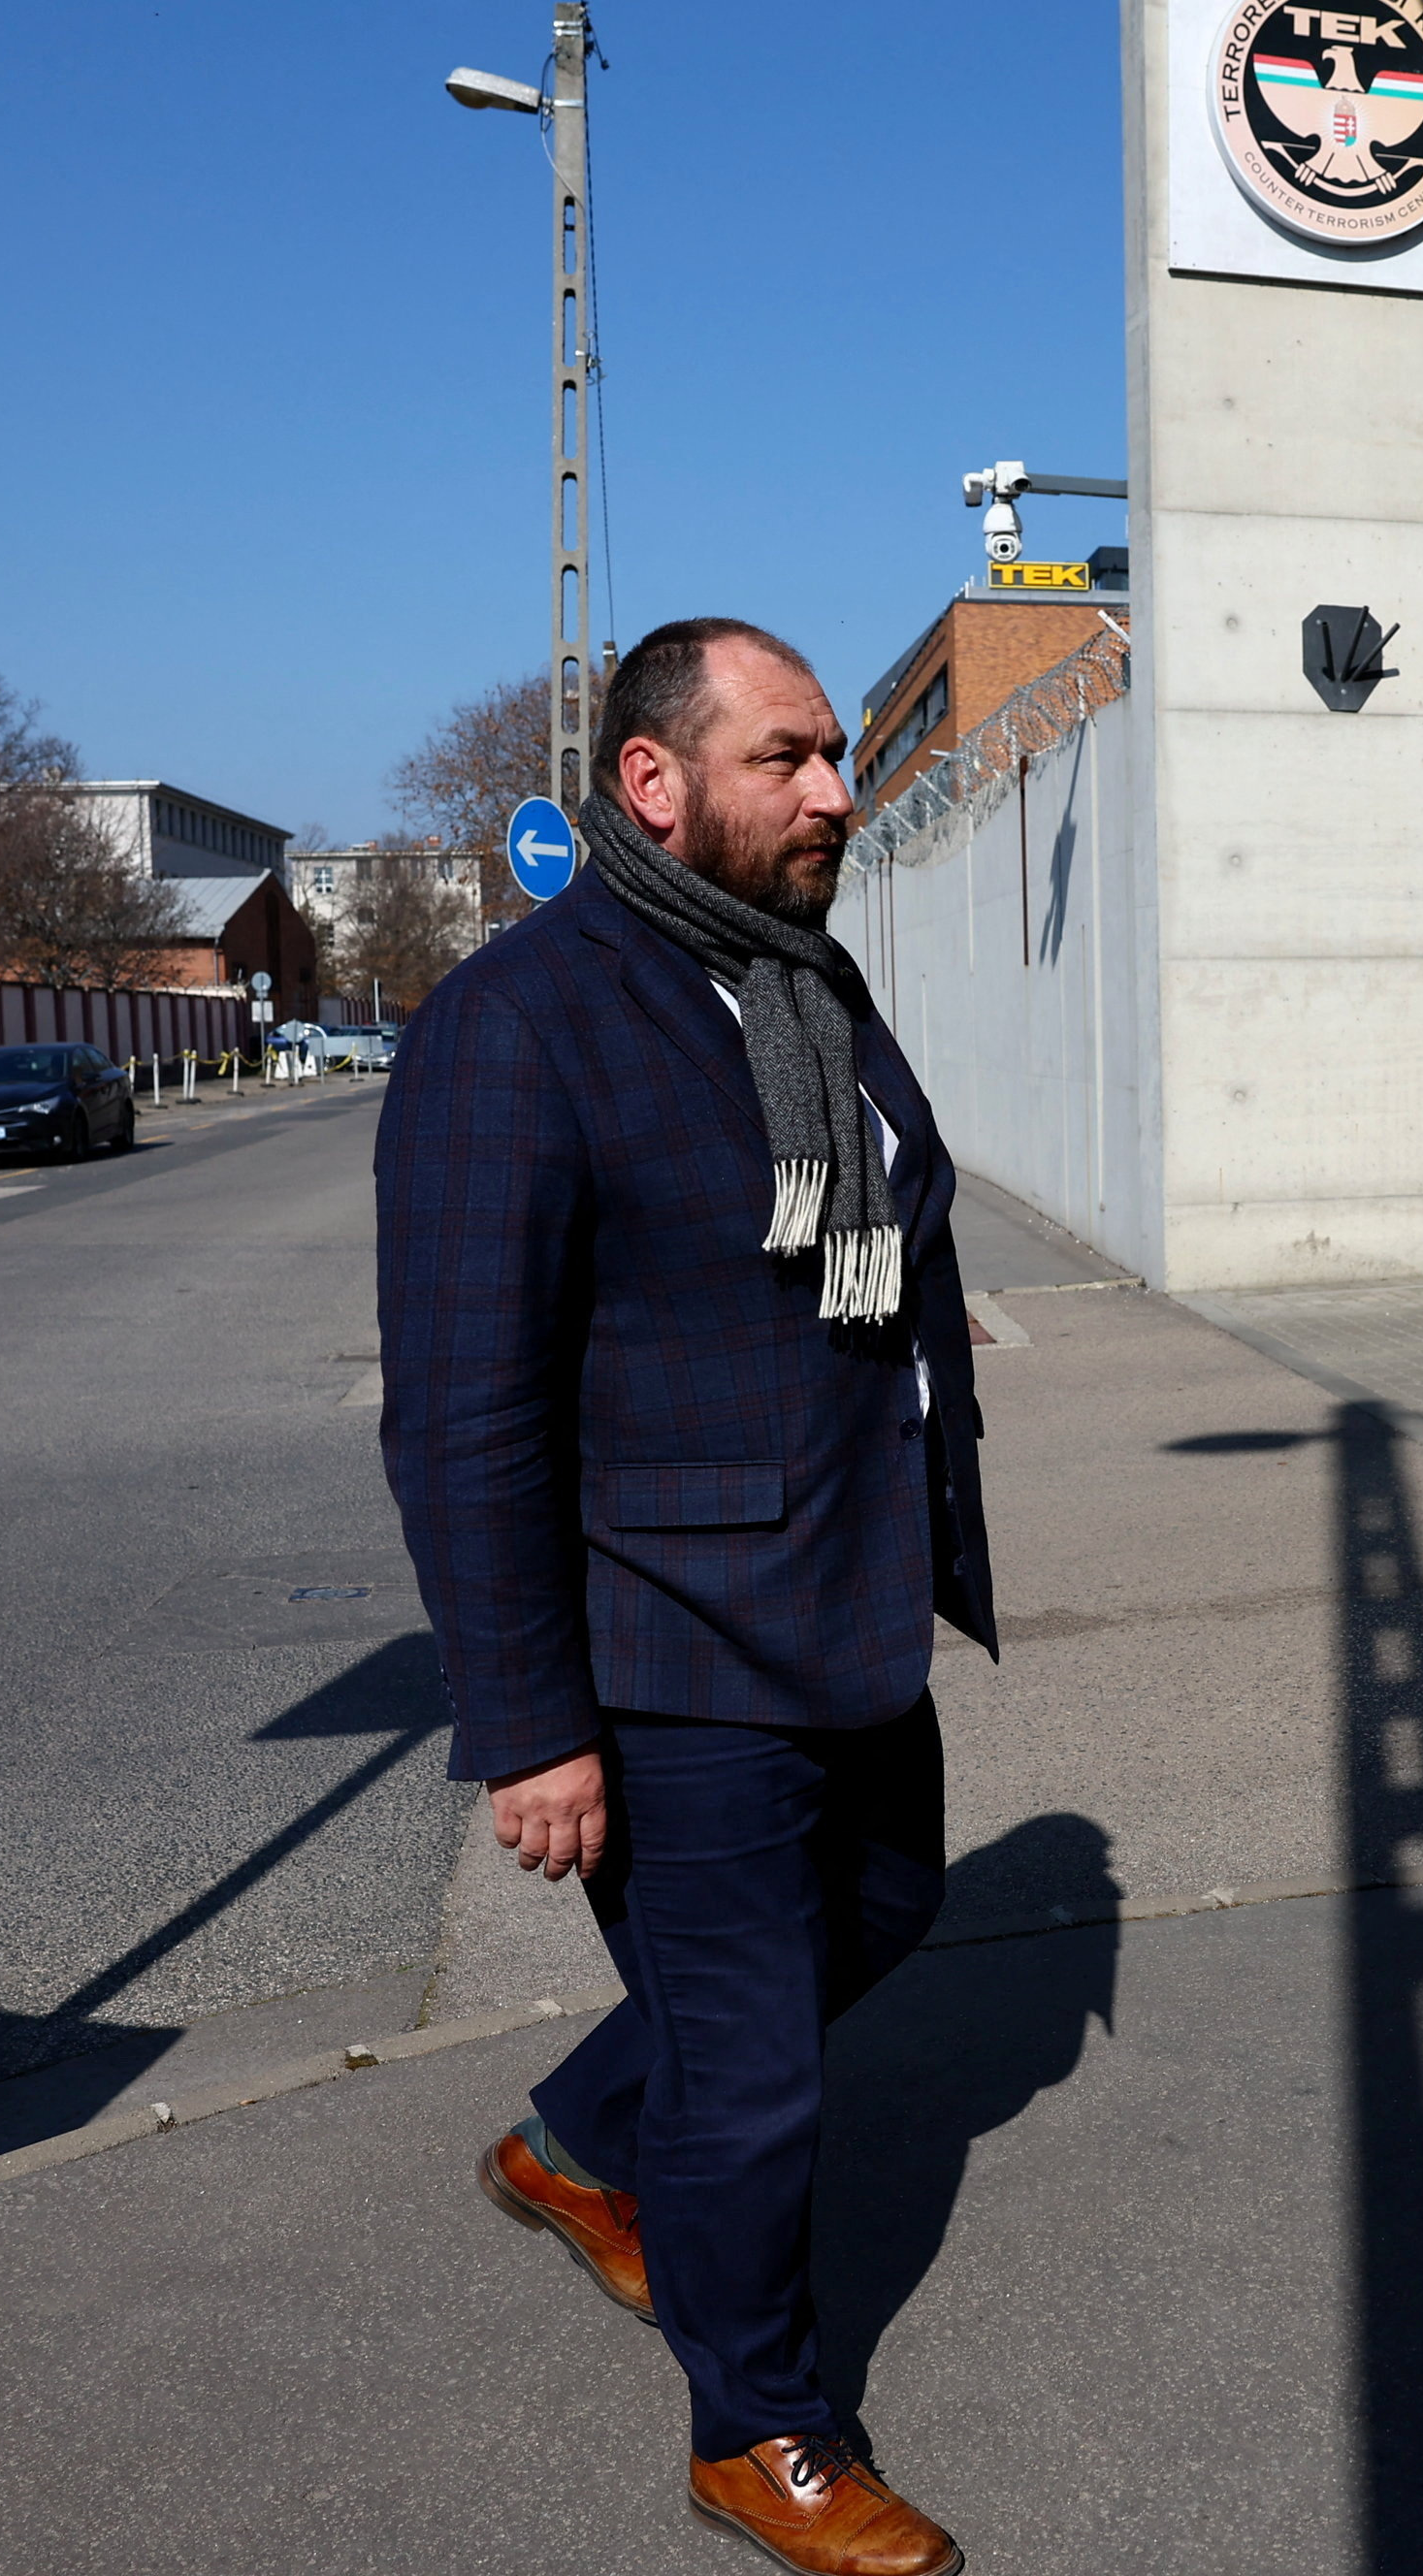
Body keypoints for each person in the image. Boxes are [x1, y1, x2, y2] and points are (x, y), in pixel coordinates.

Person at [378, 617, 994, 2576]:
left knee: (890, 1902)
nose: (838, 791)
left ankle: (573, 2137)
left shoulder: (797, 981)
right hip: (666, 1633)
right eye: (791, 759)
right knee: (753, 2071)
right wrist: (530, 1719)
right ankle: (765, 2430)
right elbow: (465, 1407)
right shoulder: (520, 1025)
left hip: (845, 1590)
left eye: (836, 757)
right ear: (656, 783)